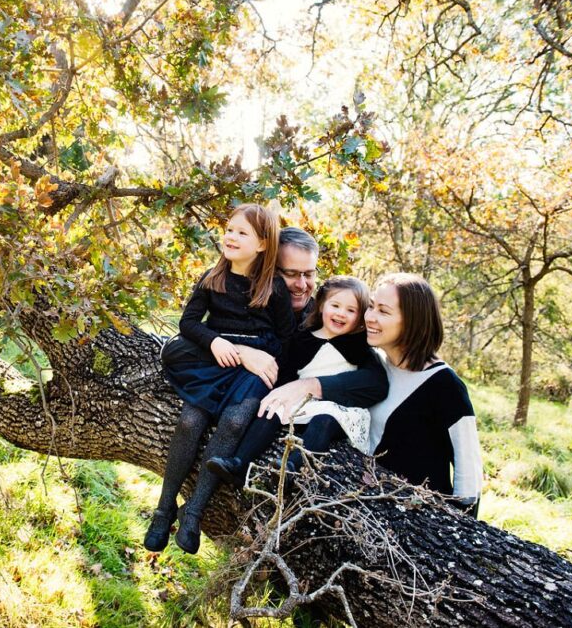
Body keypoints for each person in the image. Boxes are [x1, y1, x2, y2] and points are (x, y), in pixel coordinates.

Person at [255, 273, 483, 515]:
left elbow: (469, 474)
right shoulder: (371, 365)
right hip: (360, 508)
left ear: (413, 321)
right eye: (371, 306)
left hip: (419, 515)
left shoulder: (444, 384)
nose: (370, 317)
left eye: (383, 311)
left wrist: (459, 529)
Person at [145, 204, 295, 554]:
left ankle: (194, 511)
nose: (231, 236)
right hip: (215, 358)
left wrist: (277, 376)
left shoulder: (272, 286)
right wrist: (215, 341)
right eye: (229, 229)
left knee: (236, 419)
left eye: (242, 232)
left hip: (255, 366)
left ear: (262, 244)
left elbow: (287, 338)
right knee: (189, 421)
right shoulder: (213, 277)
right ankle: (164, 509)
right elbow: (189, 323)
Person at [207, 276, 379, 487]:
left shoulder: (360, 344)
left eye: (351, 310)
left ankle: (290, 469)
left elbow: (374, 381)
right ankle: (238, 464)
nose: (341, 313)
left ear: (360, 317)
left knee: (323, 420)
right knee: (272, 411)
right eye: (335, 305)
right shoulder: (303, 338)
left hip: (339, 408)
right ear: (322, 305)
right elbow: (287, 373)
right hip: (303, 401)